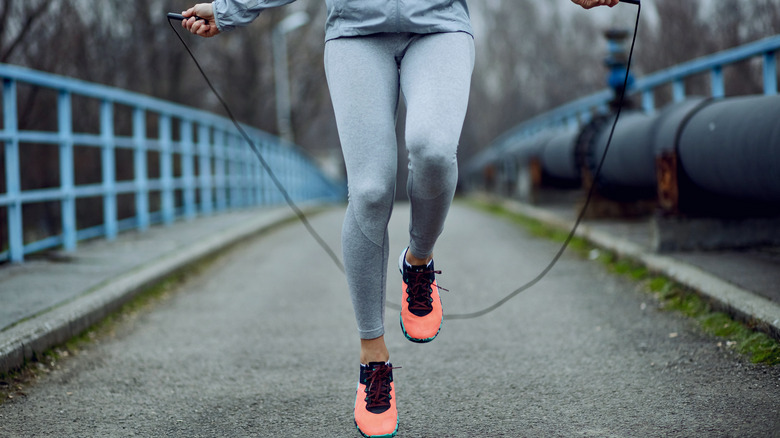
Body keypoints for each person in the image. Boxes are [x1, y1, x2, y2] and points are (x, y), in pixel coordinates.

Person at [181, 0, 619, 436]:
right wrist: (229, 9)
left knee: (431, 149)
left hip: (438, 25)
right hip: (355, 33)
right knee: (370, 191)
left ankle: (419, 261)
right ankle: (373, 359)